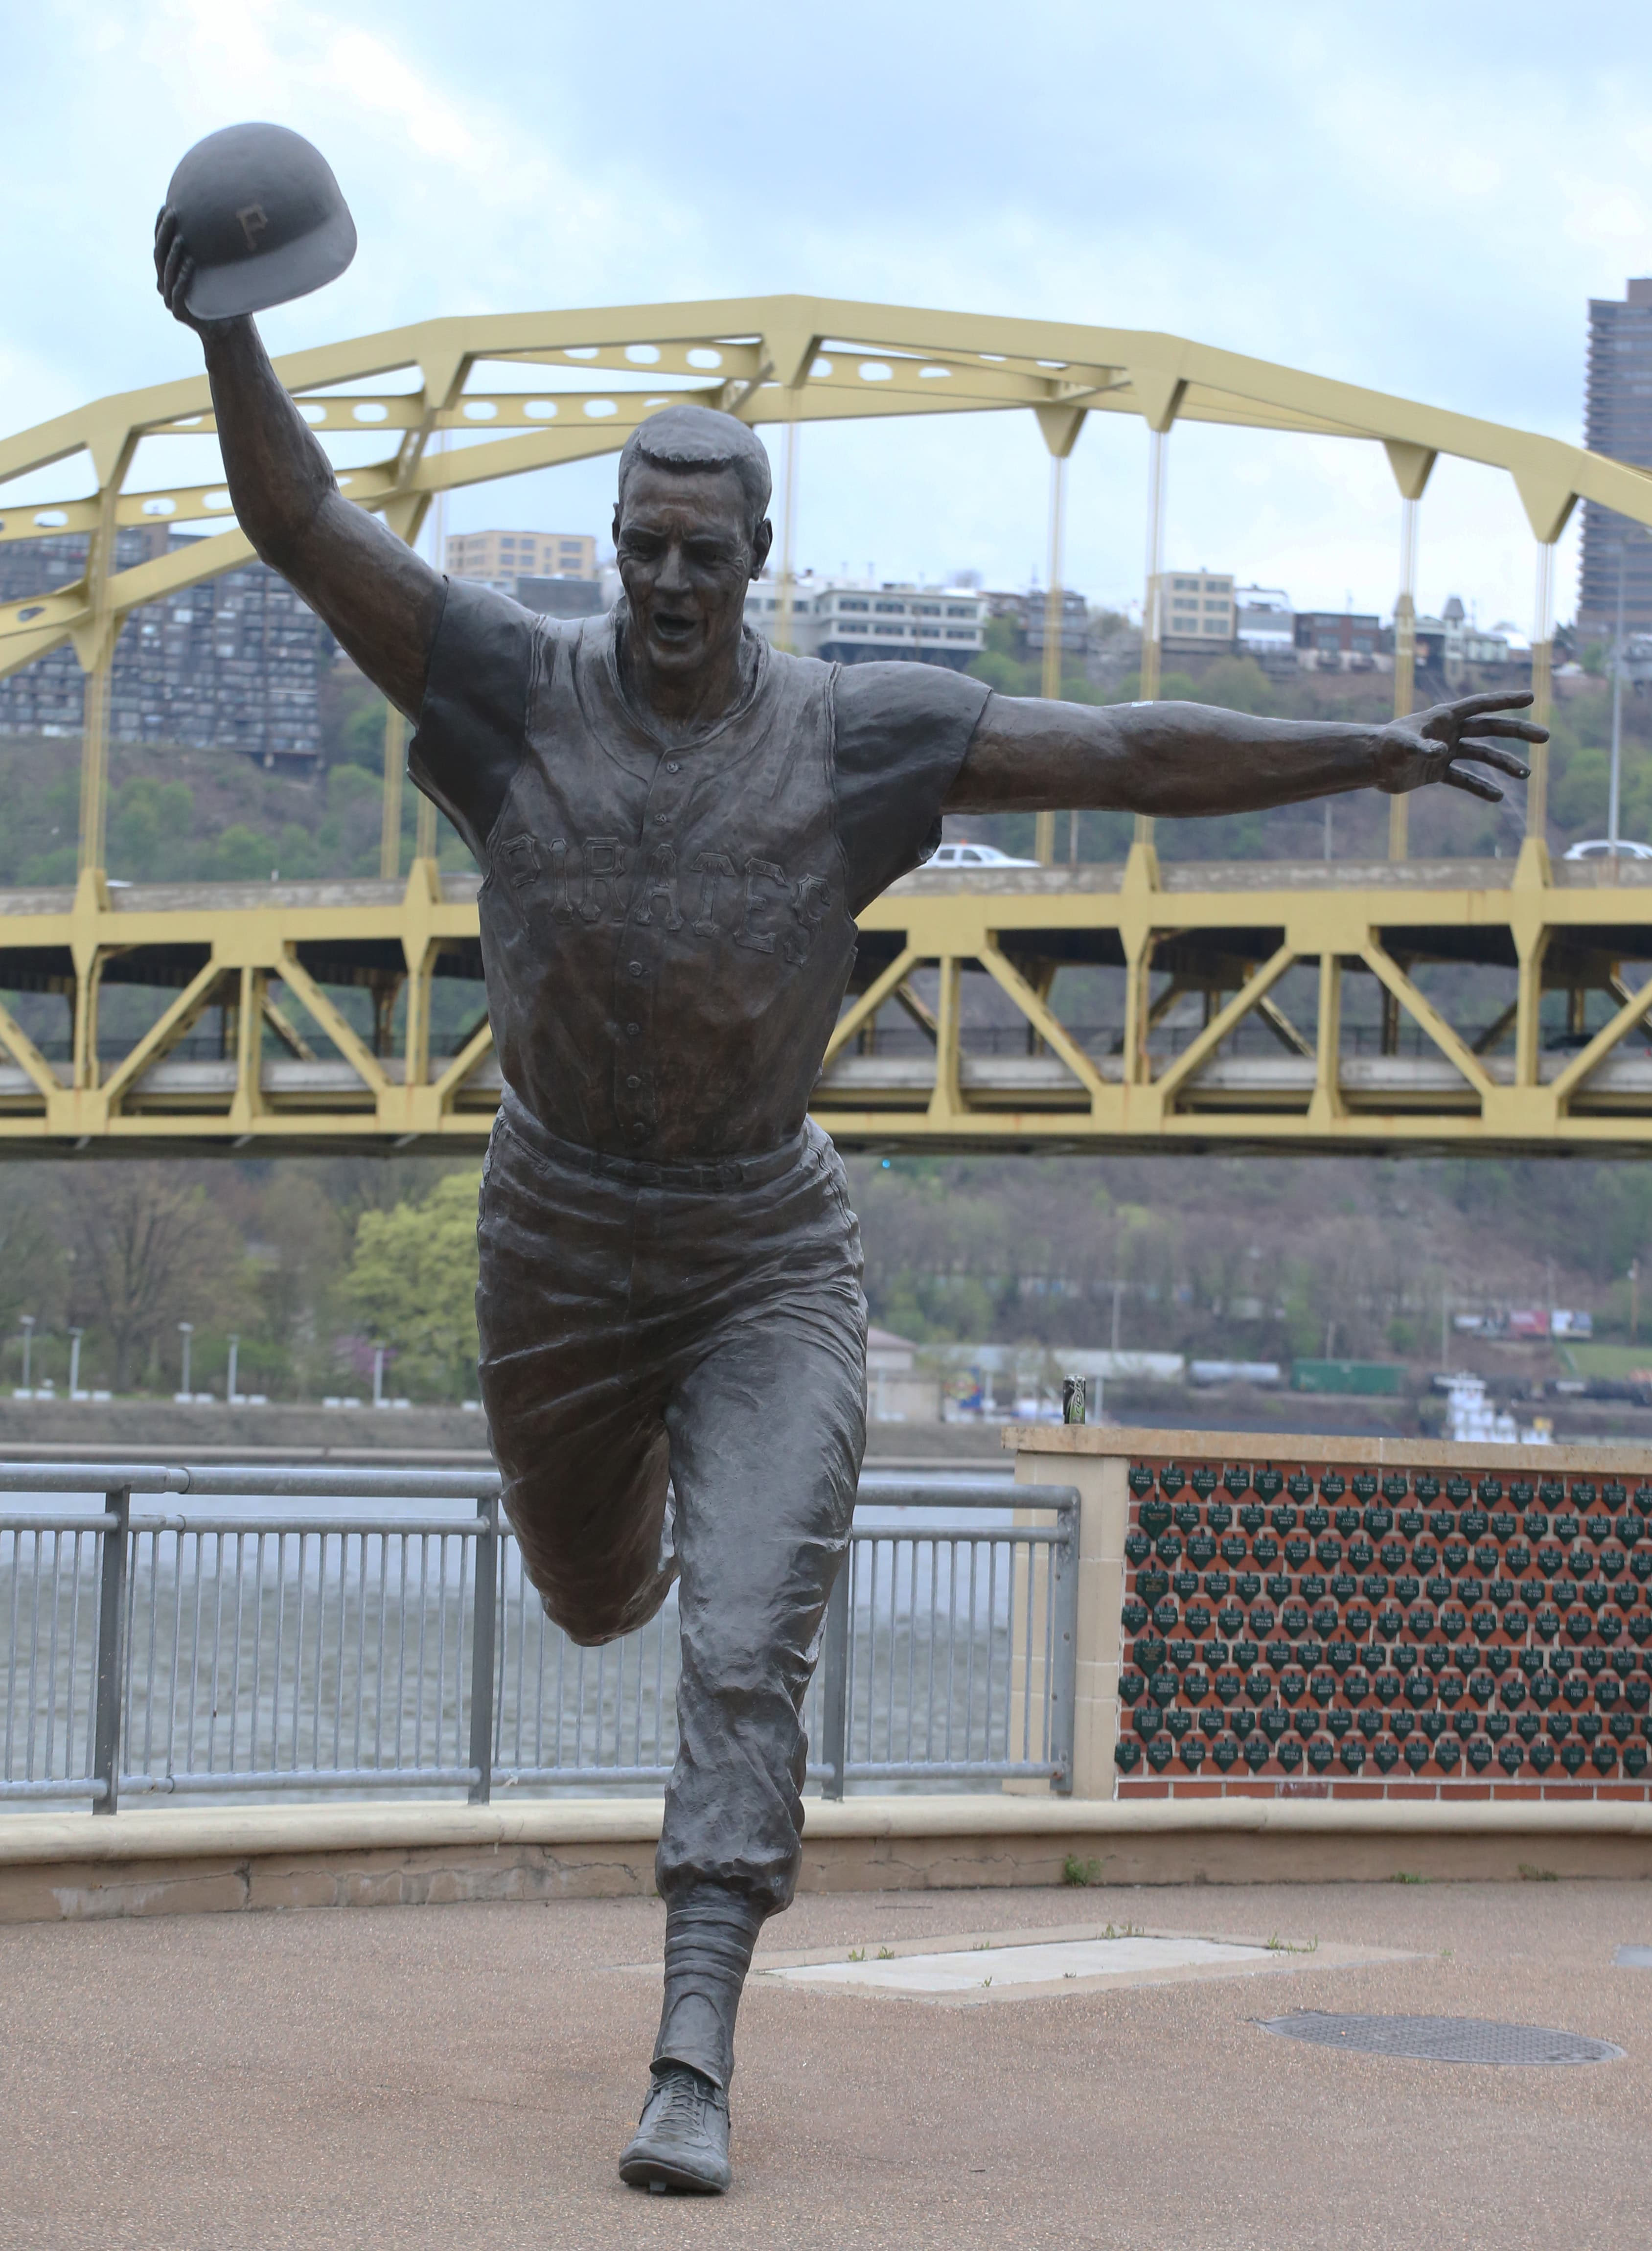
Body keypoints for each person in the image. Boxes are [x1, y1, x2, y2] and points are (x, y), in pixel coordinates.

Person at [155, 209, 1539, 2195]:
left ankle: (691, 2048)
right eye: (640, 546)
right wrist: (227, 331)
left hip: (759, 1250)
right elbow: (303, 526)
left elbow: (1128, 749)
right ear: (614, 541)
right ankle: (624, 1609)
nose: (665, 583)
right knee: (591, 1589)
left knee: (743, 1644)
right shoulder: (503, 689)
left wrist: (1370, 746)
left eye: (702, 555)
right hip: (555, 1240)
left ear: (758, 563)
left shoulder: (849, 735)